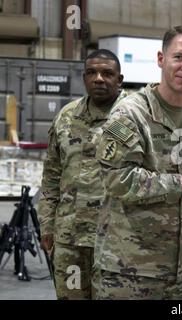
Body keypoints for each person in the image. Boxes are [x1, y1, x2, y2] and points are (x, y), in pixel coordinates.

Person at [92, 26, 182, 300]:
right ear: (161, 59)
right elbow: (116, 179)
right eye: (179, 57)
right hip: (130, 271)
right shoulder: (130, 113)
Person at [38, 49, 126, 299]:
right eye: (92, 73)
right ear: (84, 77)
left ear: (119, 79)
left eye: (107, 73)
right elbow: (51, 175)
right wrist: (47, 225)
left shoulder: (134, 116)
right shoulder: (66, 116)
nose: (99, 78)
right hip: (69, 238)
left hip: (117, 240)